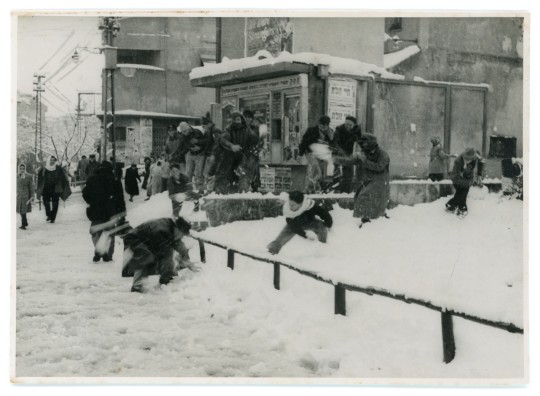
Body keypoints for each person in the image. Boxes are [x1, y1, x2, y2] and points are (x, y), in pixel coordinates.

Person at [122, 217, 198, 293]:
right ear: (178, 229)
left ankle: (166, 279)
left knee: (161, 257)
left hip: (147, 240)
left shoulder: (172, 230)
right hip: (135, 238)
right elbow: (164, 255)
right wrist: (166, 278)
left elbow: (179, 245)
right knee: (147, 257)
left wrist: (187, 260)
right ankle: (137, 286)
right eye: (182, 234)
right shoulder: (163, 230)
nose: (182, 237)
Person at [334, 133, 390, 228]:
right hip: (369, 179)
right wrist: (335, 159)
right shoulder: (364, 153)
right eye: (362, 143)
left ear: (371, 143)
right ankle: (371, 217)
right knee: (360, 195)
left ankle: (369, 218)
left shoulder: (383, 154)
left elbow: (379, 167)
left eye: (365, 143)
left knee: (365, 196)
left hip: (381, 180)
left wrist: (364, 161)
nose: (363, 145)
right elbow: (349, 161)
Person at [82, 161, 127, 262]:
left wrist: (91, 201)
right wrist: (122, 213)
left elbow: (85, 193)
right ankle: (108, 254)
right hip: (110, 211)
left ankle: (99, 250)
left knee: (96, 232)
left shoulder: (92, 179)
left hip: (95, 210)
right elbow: (120, 198)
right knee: (109, 232)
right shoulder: (114, 180)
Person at [267, 191, 333, 255]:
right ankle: (272, 250)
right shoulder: (288, 211)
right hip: (295, 225)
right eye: (290, 203)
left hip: (310, 222)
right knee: (284, 234)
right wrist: (305, 235)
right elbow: (294, 227)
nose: (291, 206)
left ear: (301, 204)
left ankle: (323, 248)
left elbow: (322, 212)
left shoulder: (308, 205)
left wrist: (328, 223)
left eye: (293, 205)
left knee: (322, 227)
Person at [214, 111, 260, 193]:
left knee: (242, 174)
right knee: (224, 174)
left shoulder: (247, 129)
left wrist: (260, 136)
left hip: (241, 155)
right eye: (235, 120)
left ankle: (241, 191)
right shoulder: (229, 129)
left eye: (238, 119)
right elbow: (223, 139)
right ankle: (220, 192)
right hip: (229, 155)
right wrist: (231, 146)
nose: (237, 121)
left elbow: (253, 139)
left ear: (242, 119)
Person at [445, 148, 485, 217]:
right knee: (462, 193)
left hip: (467, 176)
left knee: (462, 194)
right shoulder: (458, 162)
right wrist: (468, 183)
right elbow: (455, 178)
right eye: (466, 159)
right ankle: (459, 209)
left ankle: (452, 206)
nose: (468, 160)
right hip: (457, 179)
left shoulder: (475, 155)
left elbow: (481, 160)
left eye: (470, 159)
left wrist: (479, 174)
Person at [299, 115, 333, 193]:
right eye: (322, 125)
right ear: (318, 124)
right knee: (315, 166)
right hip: (311, 152)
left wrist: (331, 139)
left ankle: (319, 187)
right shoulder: (311, 131)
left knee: (325, 169)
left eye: (326, 125)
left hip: (323, 154)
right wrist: (300, 154)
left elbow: (333, 144)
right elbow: (304, 142)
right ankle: (310, 187)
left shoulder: (330, 132)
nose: (323, 127)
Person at [36, 155, 72, 223]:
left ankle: (53, 217)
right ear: (49, 160)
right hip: (46, 187)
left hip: (56, 188)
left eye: (53, 160)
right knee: (45, 201)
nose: (52, 161)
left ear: (55, 161)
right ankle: (49, 214)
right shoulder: (45, 168)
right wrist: (41, 170)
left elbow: (63, 177)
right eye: (51, 160)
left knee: (55, 203)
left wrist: (65, 182)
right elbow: (40, 176)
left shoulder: (58, 168)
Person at [332, 116, 362, 193]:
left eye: (350, 125)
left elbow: (360, 142)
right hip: (338, 152)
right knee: (338, 170)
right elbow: (335, 144)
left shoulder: (357, 130)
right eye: (346, 124)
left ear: (354, 125)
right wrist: (342, 153)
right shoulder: (339, 130)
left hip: (349, 152)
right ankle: (336, 189)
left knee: (348, 171)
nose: (347, 126)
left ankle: (346, 190)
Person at [185, 123, 211, 193]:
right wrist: (190, 148)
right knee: (188, 173)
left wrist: (199, 146)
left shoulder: (198, 132)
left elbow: (205, 142)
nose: (184, 133)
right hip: (191, 153)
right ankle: (189, 190)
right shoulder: (183, 135)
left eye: (185, 131)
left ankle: (201, 190)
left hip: (200, 154)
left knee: (198, 174)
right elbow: (184, 143)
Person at [243, 109, 262, 192]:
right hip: (242, 157)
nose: (248, 119)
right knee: (243, 178)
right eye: (245, 117)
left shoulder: (255, 129)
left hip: (252, 156)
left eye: (249, 117)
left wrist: (257, 149)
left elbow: (258, 140)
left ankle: (254, 189)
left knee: (254, 177)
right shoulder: (238, 129)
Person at [203, 116, 222, 192]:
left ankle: (212, 190)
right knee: (209, 173)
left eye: (205, 124)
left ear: (209, 124)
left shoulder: (215, 132)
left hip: (216, 156)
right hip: (211, 155)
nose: (204, 127)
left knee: (211, 172)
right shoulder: (209, 132)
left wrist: (213, 154)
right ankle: (211, 189)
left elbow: (218, 143)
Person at [16, 163, 34, 230]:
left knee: (23, 210)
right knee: (20, 210)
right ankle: (25, 222)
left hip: (26, 196)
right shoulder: (16, 176)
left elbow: (31, 187)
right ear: (19, 169)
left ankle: (23, 224)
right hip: (19, 196)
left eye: (23, 168)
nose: (22, 170)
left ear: (25, 169)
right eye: (21, 168)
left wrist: (32, 195)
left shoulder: (28, 176)